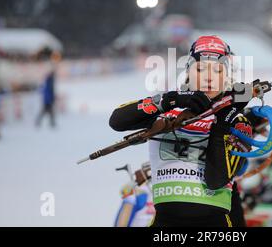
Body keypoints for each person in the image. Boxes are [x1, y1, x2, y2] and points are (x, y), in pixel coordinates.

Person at [109, 35, 254, 227]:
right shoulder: (169, 109)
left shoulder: (236, 119)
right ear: (188, 71)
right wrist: (170, 100)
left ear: (227, 76)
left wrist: (222, 124)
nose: (208, 77)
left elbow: (216, 179)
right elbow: (117, 120)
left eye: (218, 70)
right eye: (200, 68)